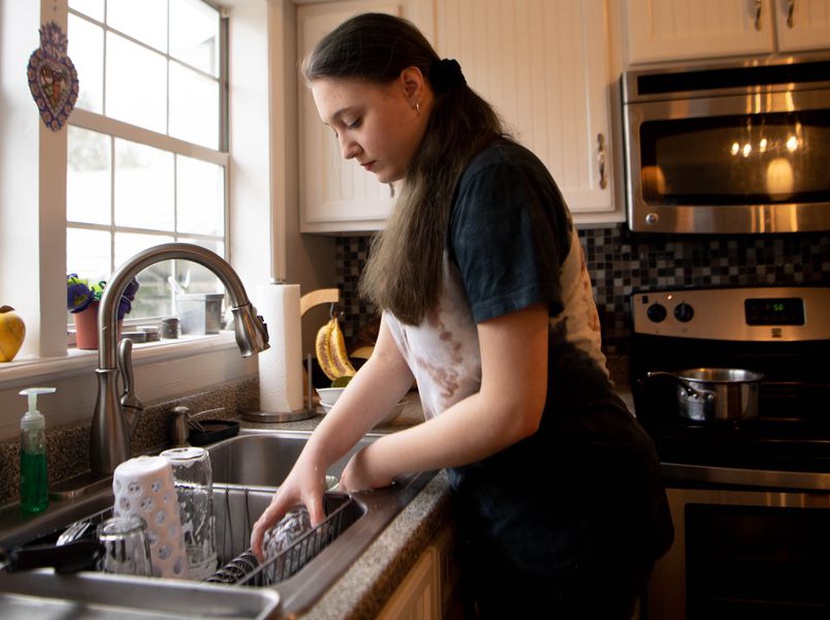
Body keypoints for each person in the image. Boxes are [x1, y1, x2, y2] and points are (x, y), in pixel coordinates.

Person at [251, 12, 674, 618]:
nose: (344, 146)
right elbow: (399, 356)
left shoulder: (493, 184)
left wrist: (370, 460)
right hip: (517, 506)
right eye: (334, 128)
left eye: (352, 120)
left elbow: (512, 408)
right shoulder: (424, 190)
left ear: (412, 88)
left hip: (574, 505)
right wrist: (316, 457)